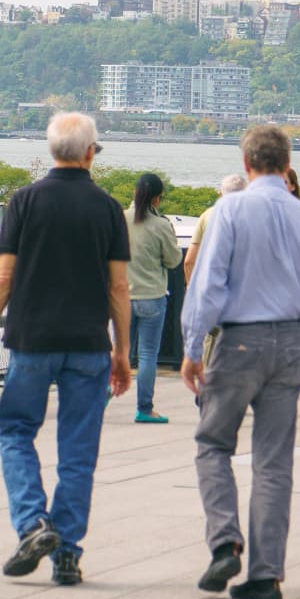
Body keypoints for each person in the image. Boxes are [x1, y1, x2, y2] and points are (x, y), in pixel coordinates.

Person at [0, 111, 130, 587]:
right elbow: (120, 289)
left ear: (52, 149)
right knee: (78, 452)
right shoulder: (108, 209)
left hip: (32, 342)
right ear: (92, 151)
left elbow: (3, 274)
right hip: (88, 346)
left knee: (16, 431)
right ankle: (68, 554)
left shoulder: (24, 201)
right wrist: (122, 351)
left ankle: (34, 523)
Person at [180, 125, 300, 599]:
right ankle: (267, 574)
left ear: (246, 164)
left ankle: (225, 540)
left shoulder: (230, 209)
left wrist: (191, 349)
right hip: (291, 341)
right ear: (287, 166)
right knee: (274, 461)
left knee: (213, 442)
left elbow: (209, 287)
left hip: (240, 341)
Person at [126, 172, 183, 423]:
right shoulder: (161, 225)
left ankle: (102, 393)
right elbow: (173, 260)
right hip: (152, 297)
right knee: (148, 354)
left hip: (122, 297)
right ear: (157, 199)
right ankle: (145, 408)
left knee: (120, 353)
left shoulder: (120, 218)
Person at [183, 174, 246, 283]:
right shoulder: (254, 217)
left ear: (221, 194)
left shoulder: (207, 215)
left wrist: (191, 287)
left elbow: (189, 261)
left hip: (212, 287)